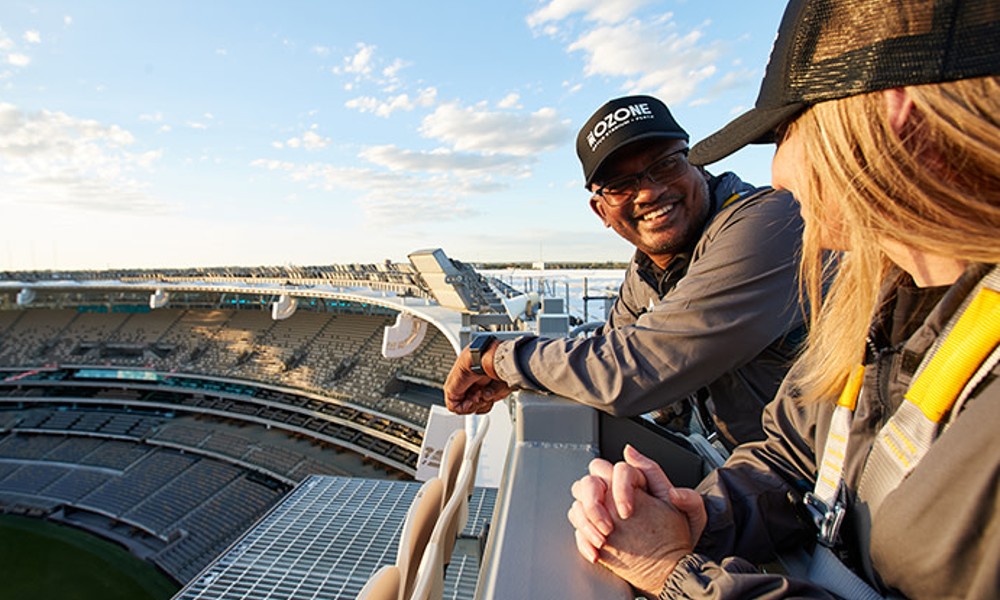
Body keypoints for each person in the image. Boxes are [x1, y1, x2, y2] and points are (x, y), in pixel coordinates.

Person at [566, 0, 1000, 598]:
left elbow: (633, 368)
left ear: (896, 124)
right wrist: (701, 516)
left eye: (788, 130)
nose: (777, 172)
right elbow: (797, 458)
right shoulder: (887, 301)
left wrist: (674, 573)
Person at [445, 94, 806, 450]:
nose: (648, 192)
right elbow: (608, 344)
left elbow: (636, 367)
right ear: (601, 211)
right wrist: (522, 377)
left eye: (665, 165)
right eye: (620, 185)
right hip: (753, 473)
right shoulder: (650, 264)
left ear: (698, 164)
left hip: (824, 489)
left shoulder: (770, 224)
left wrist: (498, 358)